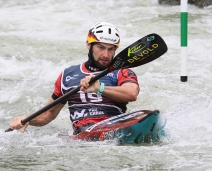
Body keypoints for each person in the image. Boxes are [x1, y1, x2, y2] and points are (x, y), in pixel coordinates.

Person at [9, 22, 140, 135]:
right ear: (89, 45)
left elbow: (131, 93)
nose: (106, 54)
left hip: (113, 127)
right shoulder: (68, 75)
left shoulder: (121, 72)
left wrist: (100, 88)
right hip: (81, 135)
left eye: (111, 49)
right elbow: (49, 113)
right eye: (101, 47)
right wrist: (27, 119)